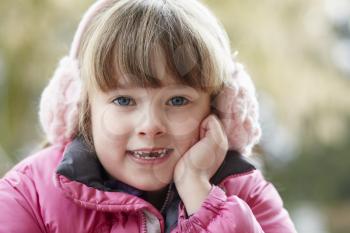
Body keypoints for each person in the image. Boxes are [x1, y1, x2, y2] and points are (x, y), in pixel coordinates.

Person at [0, 0, 297, 232]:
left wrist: (201, 195)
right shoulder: (28, 196)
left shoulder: (247, 194)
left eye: (178, 100)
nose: (151, 126)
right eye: (124, 100)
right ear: (83, 109)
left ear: (218, 109)